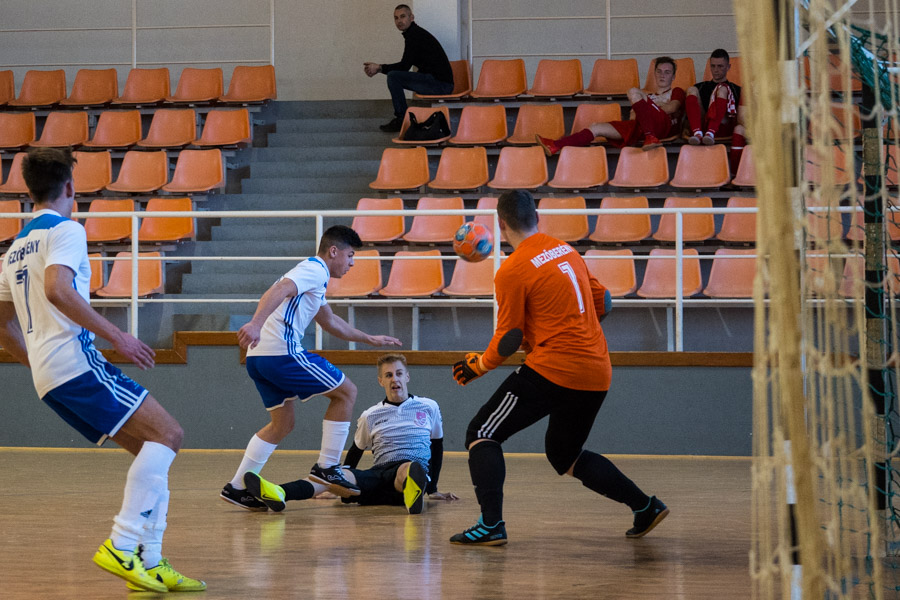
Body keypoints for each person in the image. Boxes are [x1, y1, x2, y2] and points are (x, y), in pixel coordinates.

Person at [0, 148, 204, 593]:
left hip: (49, 377)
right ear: (70, 188)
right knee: (169, 435)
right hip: (76, 362)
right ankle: (122, 544)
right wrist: (118, 336)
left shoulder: (13, 251)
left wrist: (39, 364)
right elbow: (58, 289)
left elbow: (2, 326)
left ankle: (150, 561)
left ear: (29, 192)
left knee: (153, 451)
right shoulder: (66, 229)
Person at [447, 190, 669, 546]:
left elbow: (509, 337)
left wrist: (479, 366)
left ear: (501, 224)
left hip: (553, 368)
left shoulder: (512, 270)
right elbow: (604, 301)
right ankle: (645, 507)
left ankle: (491, 525)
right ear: (537, 217)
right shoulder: (566, 250)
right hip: (596, 369)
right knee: (564, 454)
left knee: (482, 432)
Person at [220, 225, 402, 511]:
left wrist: (368, 338)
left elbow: (330, 322)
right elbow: (279, 289)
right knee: (346, 392)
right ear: (334, 251)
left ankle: (237, 487)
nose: (352, 263)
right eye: (350, 256)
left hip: (259, 358)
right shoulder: (315, 269)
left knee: (282, 424)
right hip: (281, 352)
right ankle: (327, 467)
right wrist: (254, 323)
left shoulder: (315, 280)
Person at [243, 353, 459, 514]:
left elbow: (437, 447)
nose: (395, 379)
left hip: (406, 471)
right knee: (329, 476)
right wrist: (338, 483)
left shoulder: (428, 406)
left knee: (410, 468)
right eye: (389, 375)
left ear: (407, 377)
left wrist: (433, 489)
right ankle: (280, 492)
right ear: (381, 381)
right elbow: (355, 452)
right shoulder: (370, 415)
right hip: (378, 475)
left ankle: (413, 493)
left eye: (399, 374)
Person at [537, 56, 685, 154]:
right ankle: (555, 145)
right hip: (640, 127)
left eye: (667, 72)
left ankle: (650, 136)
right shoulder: (648, 96)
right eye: (659, 71)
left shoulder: (676, 91)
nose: (662, 75)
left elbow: (672, 108)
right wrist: (652, 106)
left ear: (673, 76)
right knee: (596, 127)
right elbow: (634, 116)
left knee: (633, 91)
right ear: (655, 74)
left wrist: (648, 109)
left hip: (663, 127)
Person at [364, 4, 454, 132]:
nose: (399, 21)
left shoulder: (414, 36)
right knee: (394, 76)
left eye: (402, 16)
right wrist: (380, 68)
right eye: (396, 18)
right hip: (438, 82)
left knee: (394, 77)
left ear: (411, 17)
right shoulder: (414, 34)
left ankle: (402, 119)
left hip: (441, 85)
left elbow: (404, 66)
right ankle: (403, 118)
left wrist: (379, 68)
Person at [684, 49, 742, 147]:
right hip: (702, 127)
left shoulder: (736, 89)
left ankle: (711, 132)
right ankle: (697, 132)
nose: (716, 70)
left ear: (728, 67)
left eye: (720, 66)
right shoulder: (700, 87)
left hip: (723, 127)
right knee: (691, 89)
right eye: (713, 66)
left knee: (722, 89)